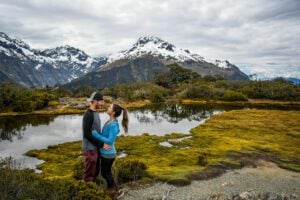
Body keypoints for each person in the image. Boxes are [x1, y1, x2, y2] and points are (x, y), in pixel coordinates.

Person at [92, 103, 128, 199]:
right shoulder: (110, 121)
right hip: (105, 152)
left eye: (110, 107)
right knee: (106, 172)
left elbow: (109, 140)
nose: (108, 108)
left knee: (105, 173)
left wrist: (95, 134)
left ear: (113, 112)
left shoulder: (113, 125)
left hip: (108, 154)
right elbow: (107, 135)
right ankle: (115, 190)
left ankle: (112, 190)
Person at [82, 91, 110, 182]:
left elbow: (96, 131)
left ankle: (92, 192)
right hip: (90, 148)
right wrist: (102, 144)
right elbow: (87, 134)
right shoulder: (88, 114)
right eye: (101, 101)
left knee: (95, 171)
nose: (103, 103)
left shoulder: (96, 113)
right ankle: (87, 193)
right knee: (89, 174)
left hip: (95, 147)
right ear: (94, 101)